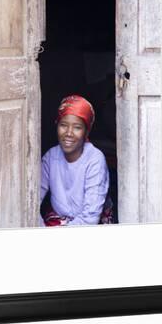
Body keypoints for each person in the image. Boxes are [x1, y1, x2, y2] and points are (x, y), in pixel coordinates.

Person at [40, 94, 109, 226]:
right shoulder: (50, 157)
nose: (69, 133)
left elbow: (90, 218)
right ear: (57, 126)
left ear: (86, 132)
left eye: (77, 127)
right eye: (63, 125)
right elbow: (30, 202)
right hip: (58, 220)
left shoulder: (95, 160)